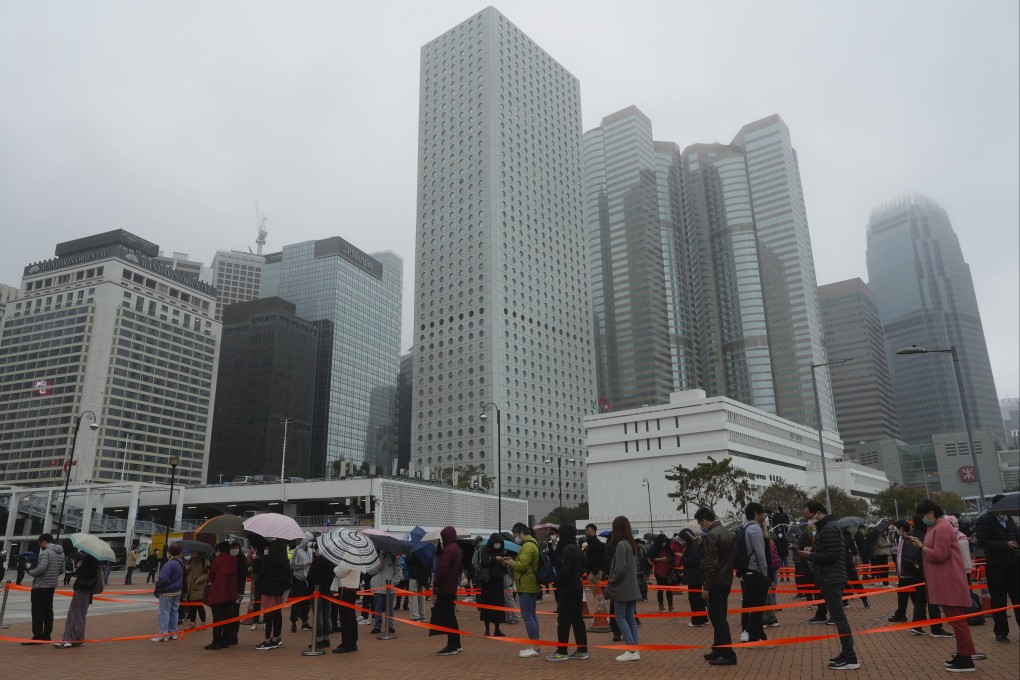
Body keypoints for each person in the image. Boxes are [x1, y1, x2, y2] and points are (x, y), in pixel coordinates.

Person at [902, 500, 978, 672]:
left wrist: (921, 547)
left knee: (957, 621)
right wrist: (921, 545)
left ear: (931, 513)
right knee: (955, 619)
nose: (923, 520)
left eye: (923, 516)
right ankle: (963, 654)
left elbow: (940, 554)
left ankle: (966, 658)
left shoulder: (942, 527)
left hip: (949, 580)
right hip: (943, 579)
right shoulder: (934, 527)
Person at [798, 501, 860, 671]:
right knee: (839, 618)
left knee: (839, 618)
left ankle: (851, 657)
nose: (809, 521)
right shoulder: (828, 528)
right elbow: (829, 551)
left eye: (809, 517)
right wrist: (814, 550)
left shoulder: (829, 528)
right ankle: (847, 653)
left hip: (831, 578)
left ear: (818, 513)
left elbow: (831, 555)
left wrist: (810, 555)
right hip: (830, 577)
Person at [975, 493, 1020, 643]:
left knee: (1017, 598)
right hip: (996, 566)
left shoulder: (1010, 520)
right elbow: (982, 541)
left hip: (1013, 565)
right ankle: (1001, 632)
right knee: (999, 600)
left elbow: (1016, 537)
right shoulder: (985, 520)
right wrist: (1004, 545)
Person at [696, 507, 736, 666]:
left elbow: (711, 563)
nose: (701, 526)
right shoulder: (725, 532)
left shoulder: (712, 535)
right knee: (718, 616)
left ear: (704, 520)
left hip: (716, 582)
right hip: (725, 579)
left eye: (701, 523)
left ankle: (727, 653)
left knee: (718, 618)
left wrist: (706, 586)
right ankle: (718, 649)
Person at [547, 523, 588, 661]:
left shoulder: (567, 550)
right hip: (577, 586)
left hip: (567, 589)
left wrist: (556, 581)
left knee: (564, 620)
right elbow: (582, 568)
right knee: (577, 620)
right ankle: (582, 650)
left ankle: (562, 651)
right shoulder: (576, 548)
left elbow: (564, 572)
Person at [606, 515, 641, 662]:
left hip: (622, 588)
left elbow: (619, 569)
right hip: (632, 587)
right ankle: (635, 648)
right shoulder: (631, 544)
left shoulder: (621, 545)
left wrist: (611, 582)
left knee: (620, 617)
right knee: (630, 618)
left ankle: (631, 648)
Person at [739, 502, 771, 645]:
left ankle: (760, 635)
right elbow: (760, 553)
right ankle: (754, 637)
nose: (763, 516)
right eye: (762, 513)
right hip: (756, 571)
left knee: (754, 604)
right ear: (756, 514)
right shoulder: (755, 530)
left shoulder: (745, 528)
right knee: (758, 606)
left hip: (747, 571)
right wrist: (765, 573)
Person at [509, 522, 542, 658]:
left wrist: (511, 563)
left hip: (527, 584)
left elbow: (522, 566)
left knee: (528, 616)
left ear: (521, 533)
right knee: (532, 615)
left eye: (516, 535)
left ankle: (534, 646)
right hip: (530, 584)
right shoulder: (532, 543)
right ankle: (535, 645)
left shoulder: (527, 545)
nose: (516, 538)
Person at [26, 533, 64, 644]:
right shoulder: (61, 553)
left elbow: (41, 569)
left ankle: (37, 635)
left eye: (40, 543)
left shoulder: (46, 553)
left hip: (40, 586)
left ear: (44, 541)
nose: (40, 545)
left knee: (37, 612)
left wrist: (29, 571)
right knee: (48, 611)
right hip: (51, 586)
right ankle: (47, 635)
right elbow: (62, 570)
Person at [55, 550, 98, 648]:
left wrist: (78, 567)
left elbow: (83, 574)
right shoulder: (94, 560)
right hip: (87, 590)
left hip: (82, 589)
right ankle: (78, 638)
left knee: (74, 614)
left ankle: (70, 638)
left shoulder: (88, 560)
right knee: (80, 614)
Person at [255, 540, 291, 650]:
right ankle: (276, 638)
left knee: (268, 615)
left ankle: (267, 640)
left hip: (267, 590)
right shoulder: (285, 560)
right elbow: (288, 576)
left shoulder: (266, 559)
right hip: (278, 592)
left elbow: (259, 572)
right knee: (277, 614)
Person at [433, 526, 463, 655]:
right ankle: (456, 643)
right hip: (451, 586)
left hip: (444, 587)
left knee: (448, 616)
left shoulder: (448, 550)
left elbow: (442, 570)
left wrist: (436, 584)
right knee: (451, 615)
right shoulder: (456, 549)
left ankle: (452, 645)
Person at [205, 541, 238, 650]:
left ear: (219, 550)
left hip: (218, 594)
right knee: (227, 618)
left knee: (217, 620)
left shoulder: (217, 560)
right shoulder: (234, 560)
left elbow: (211, 577)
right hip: (231, 594)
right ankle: (225, 641)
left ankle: (216, 642)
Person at [475, 533, 508, 637]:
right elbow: (483, 563)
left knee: (498, 606)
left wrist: (504, 564)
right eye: (496, 542)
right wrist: (494, 559)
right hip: (488, 582)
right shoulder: (485, 550)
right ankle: (487, 629)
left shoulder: (502, 552)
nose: (498, 544)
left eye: (499, 542)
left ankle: (497, 629)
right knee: (487, 606)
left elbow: (504, 569)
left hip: (498, 582)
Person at [152, 543, 185, 642]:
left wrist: (158, 585)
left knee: (164, 612)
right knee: (174, 611)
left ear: (169, 552)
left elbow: (164, 578)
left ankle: (163, 633)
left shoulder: (169, 564)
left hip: (166, 591)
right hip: (177, 591)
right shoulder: (180, 563)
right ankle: (173, 632)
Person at [306, 542, 334, 650]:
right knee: (327, 614)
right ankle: (326, 639)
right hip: (328, 591)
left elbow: (310, 578)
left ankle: (319, 640)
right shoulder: (331, 561)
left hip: (317, 592)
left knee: (318, 615)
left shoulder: (316, 562)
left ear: (318, 550)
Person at [678, 528, 708, 626]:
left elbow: (692, 561)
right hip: (696, 577)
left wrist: (683, 557)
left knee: (694, 599)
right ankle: (703, 618)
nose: (681, 541)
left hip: (694, 577)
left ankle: (697, 620)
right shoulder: (693, 546)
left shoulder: (692, 547)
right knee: (698, 599)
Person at [332, 561, 363, 653]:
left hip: (346, 588)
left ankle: (346, 644)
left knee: (346, 618)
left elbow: (342, 571)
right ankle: (352, 642)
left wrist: (335, 568)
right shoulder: (358, 554)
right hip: (352, 587)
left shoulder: (349, 554)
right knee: (351, 616)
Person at [289, 532, 314, 632]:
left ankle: (304, 622)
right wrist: (305, 564)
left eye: (312, 541)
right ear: (305, 540)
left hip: (307, 580)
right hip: (298, 579)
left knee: (306, 602)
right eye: (309, 541)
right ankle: (293, 622)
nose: (311, 543)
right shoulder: (297, 550)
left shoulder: (311, 551)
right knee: (296, 602)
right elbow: (292, 565)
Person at [180, 550, 209, 628]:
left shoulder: (204, 561)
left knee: (199, 606)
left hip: (198, 588)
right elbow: (186, 573)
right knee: (191, 606)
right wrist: (186, 568)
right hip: (189, 588)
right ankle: (192, 622)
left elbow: (208, 573)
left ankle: (203, 623)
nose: (192, 554)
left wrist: (200, 579)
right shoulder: (190, 561)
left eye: (194, 552)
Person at [369, 551, 396, 634]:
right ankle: (377, 626)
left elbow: (398, 572)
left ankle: (390, 626)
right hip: (378, 588)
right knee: (377, 608)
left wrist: (393, 582)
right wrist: (378, 567)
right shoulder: (375, 556)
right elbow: (370, 571)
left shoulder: (393, 557)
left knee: (390, 609)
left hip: (389, 588)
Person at [583, 523, 606, 619]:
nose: (587, 532)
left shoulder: (596, 543)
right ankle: (601, 613)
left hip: (595, 573)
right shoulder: (591, 543)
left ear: (594, 531)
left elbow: (598, 559)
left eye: (589, 530)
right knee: (597, 595)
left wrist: (593, 572)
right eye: (586, 530)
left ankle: (603, 614)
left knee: (598, 594)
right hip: (592, 572)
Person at [649, 534, 675, 613]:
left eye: (665, 541)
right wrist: (661, 559)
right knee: (660, 590)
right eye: (663, 541)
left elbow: (672, 557)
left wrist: (669, 558)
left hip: (668, 571)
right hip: (659, 571)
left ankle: (671, 606)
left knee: (669, 589)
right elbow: (651, 559)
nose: (664, 543)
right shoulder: (655, 549)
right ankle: (661, 606)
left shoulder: (668, 549)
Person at [405, 549, 430, 622]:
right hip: (423, 576)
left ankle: (415, 615)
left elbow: (408, 561)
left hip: (414, 575)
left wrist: (408, 554)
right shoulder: (425, 551)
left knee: (413, 596)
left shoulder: (415, 551)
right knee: (421, 596)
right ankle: (422, 615)